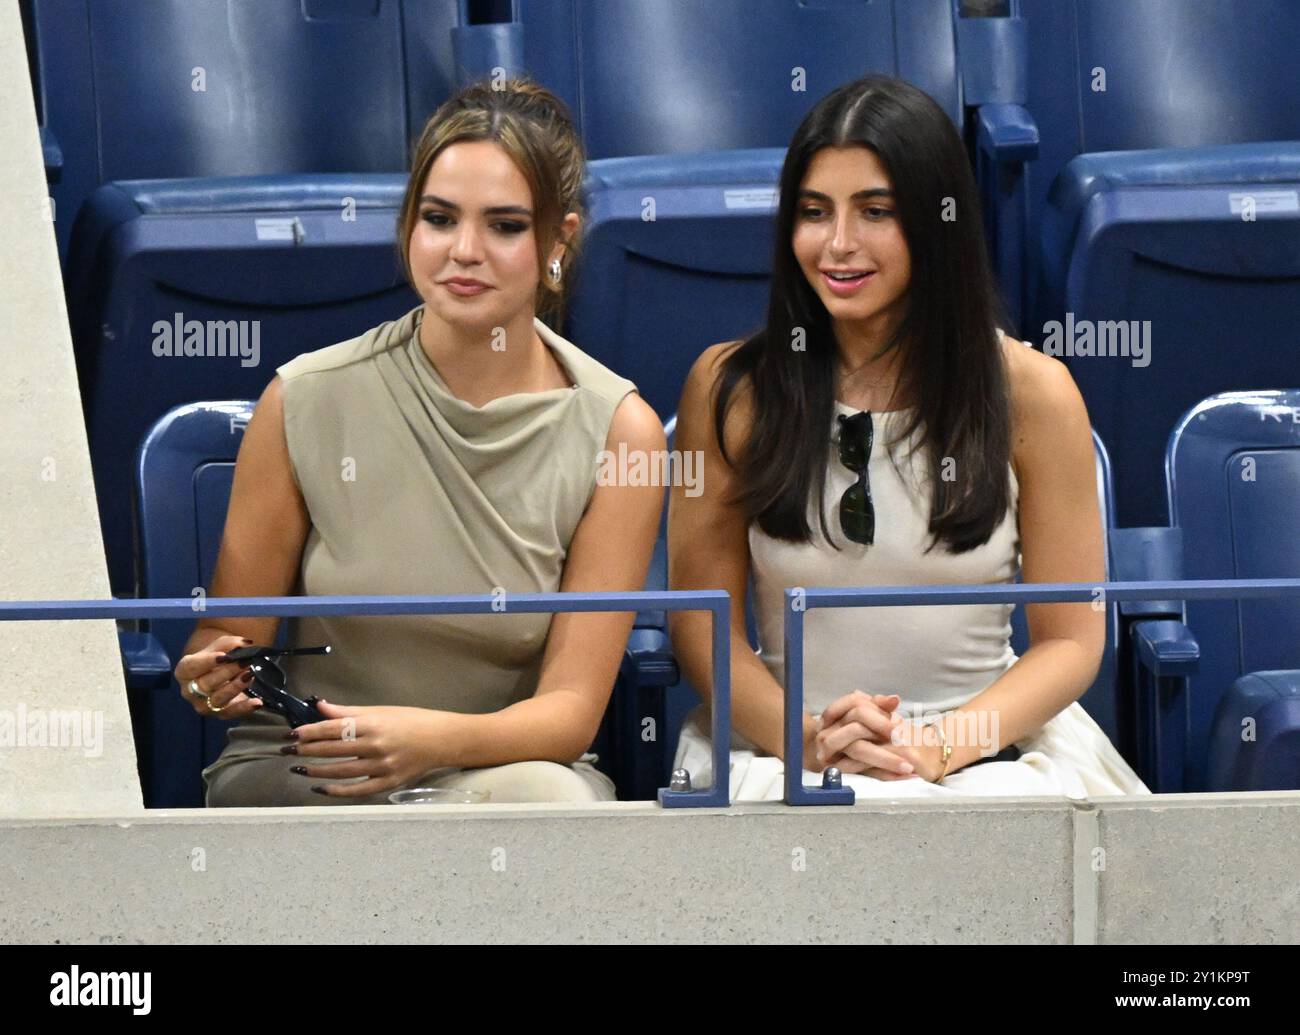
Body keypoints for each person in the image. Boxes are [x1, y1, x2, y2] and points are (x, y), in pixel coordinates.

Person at [175, 78, 664, 806]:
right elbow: (224, 638)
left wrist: (426, 742)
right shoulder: (304, 397)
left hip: (500, 765)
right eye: (440, 218)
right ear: (410, 226)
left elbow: (568, 712)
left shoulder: (622, 431)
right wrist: (207, 677)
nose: (464, 251)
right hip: (313, 760)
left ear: (559, 240)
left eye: (504, 226)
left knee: (552, 802)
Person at [667, 74, 1150, 801]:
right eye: (813, 211)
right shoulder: (729, 387)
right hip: (785, 751)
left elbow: (1071, 640)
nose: (837, 244)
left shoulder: (1034, 392)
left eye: (875, 212)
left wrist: (938, 748)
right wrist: (805, 738)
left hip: (991, 756)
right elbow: (702, 626)